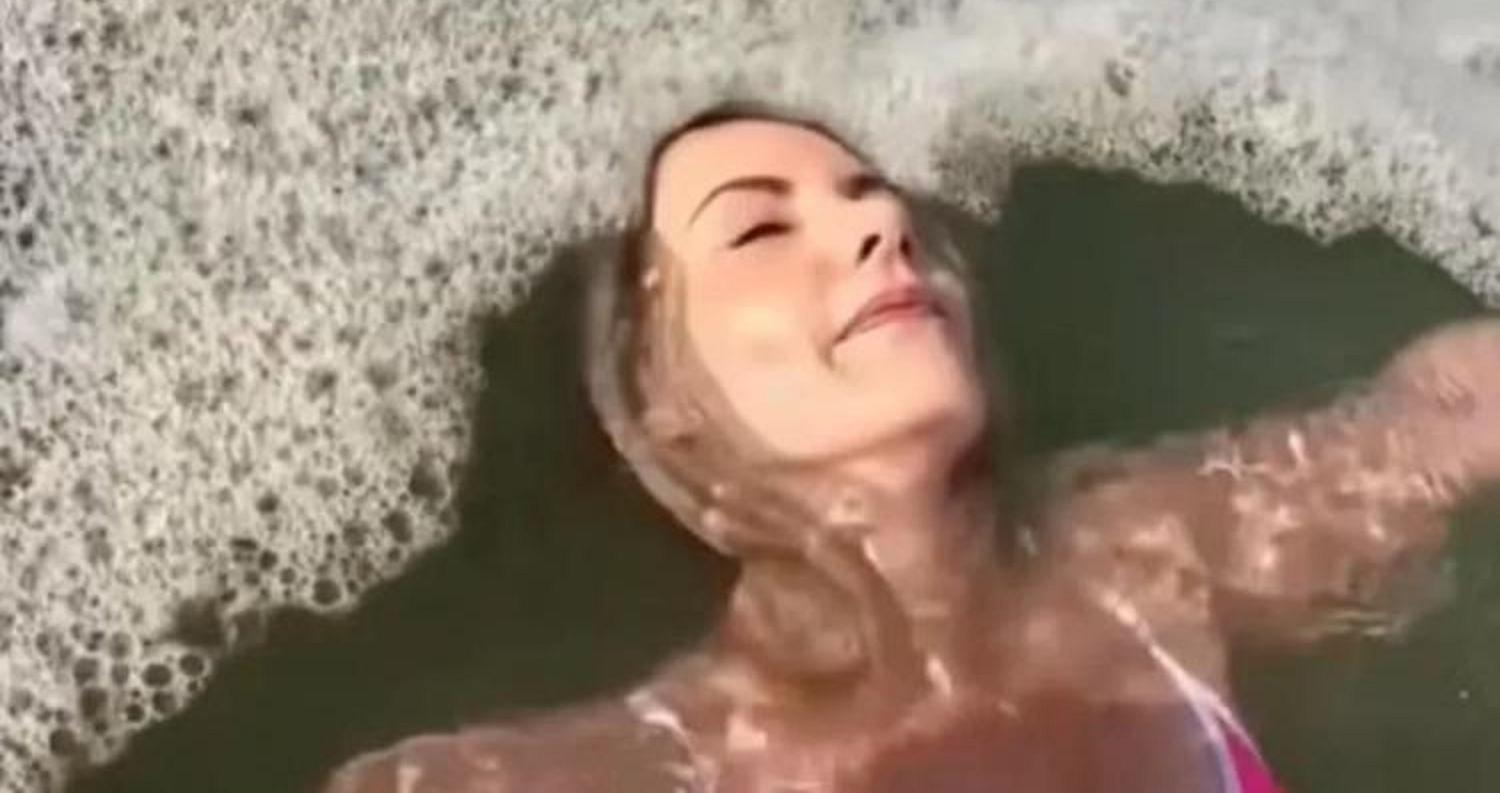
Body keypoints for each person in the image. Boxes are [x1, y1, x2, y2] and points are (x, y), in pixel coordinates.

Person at [322, 101, 1500, 792]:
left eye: (870, 192)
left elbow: (1445, 407)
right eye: (760, 227)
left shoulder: (1150, 555)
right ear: (659, 398)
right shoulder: (647, 767)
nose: (881, 220)